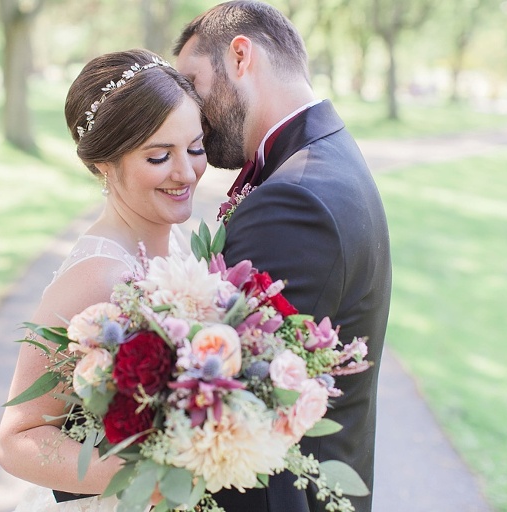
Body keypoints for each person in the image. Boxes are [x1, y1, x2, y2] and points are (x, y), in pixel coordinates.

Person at [174, 2, 392, 511]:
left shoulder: (295, 198)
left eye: (192, 82)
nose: (187, 108)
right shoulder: (328, 154)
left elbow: (230, 402)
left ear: (241, 56)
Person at [0, 48, 207, 512]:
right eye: (159, 156)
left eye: (195, 148)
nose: (186, 171)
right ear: (105, 164)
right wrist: (147, 477)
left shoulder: (177, 241)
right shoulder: (98, 275)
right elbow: (17, 439)